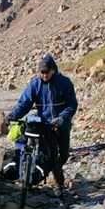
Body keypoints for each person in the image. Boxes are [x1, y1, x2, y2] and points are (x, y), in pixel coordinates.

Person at [6, 54, 78, 197]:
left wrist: (62, 118)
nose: (44, 75)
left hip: (62, 125)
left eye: (47, 72)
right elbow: (25, 103)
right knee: (50, 155)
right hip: (45, 126)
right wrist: (14, 115)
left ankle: (56, 170)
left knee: (63, 155)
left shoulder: (64, 82)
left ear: (53, 70)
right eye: (41, 72)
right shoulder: (35, 85)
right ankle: (57, 183)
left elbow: (72, 104)